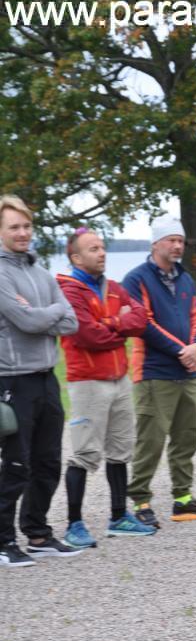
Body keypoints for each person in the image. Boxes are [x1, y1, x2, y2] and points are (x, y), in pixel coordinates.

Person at [56, 227, 157, 546]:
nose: (101, 253)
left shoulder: (113, 288)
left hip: (119, 379)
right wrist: (119, 326)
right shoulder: (69, 291)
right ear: (76, 258)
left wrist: (110, 324)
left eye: (102, 247)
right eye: (93, 249)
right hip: (88, 382)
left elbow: (141, 319)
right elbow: (87, 335)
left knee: (120, 449)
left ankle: (118, 517)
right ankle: (74, 524)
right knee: (84, 453)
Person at [0, 195, 83, 566]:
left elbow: (71, 321)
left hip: (47, 378)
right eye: (14, 227)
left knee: (48, 461)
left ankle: (38, 533)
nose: (22, 233)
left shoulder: (41, 273)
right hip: (13, 381)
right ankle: (3, 541)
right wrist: (47, 313)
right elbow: (27, 321)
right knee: (17, 463)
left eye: (26, 226)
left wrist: (39, 312)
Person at [122, 214, 196, 525]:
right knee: (151, 440)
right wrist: (182, 351)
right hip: (154, 373)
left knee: (186, 437)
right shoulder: (136, 279)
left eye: (181, 241)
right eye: (171, 240)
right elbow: (144, 323)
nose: (178, 246)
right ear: (156, 243)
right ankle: (140, 501)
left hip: (187, 373)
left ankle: (183, 498)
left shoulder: (185, 278)